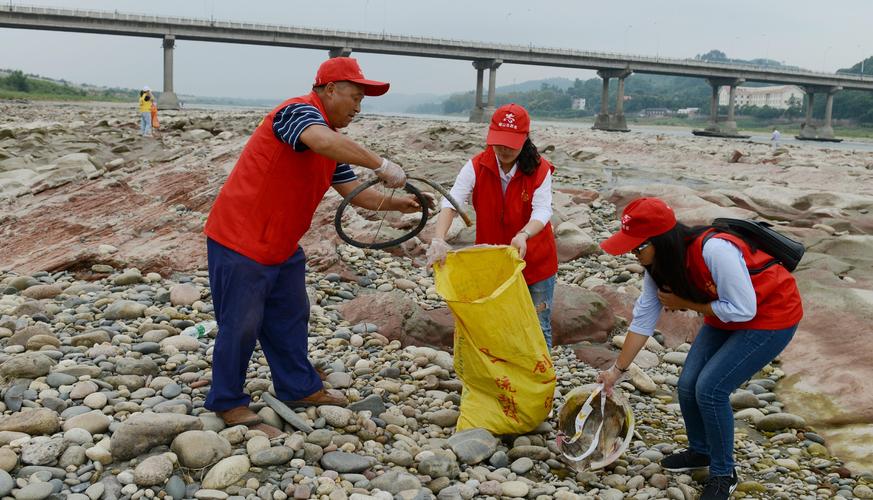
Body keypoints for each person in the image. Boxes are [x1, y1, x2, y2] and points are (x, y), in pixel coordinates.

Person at [203, 57, 424, 428]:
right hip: (240, 239)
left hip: (282, 244)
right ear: (330, 89)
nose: (357, 107)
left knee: (291, 315)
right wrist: (380, 164)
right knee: (240, 323)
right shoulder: (297, 113)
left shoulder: (330, 147)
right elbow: (319, 138)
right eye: (354, 97)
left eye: (361, 101)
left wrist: (400, 204)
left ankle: (296, 386)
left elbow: (356, 193)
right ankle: (227, 401)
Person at [595, 197, 803, 500]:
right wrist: (616, 372)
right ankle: (700, 451)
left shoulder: (714, 250)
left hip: (771, 316)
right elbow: (642, 321)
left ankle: (723, 473)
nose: (633, 254)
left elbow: (744, 309)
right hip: (723, 314)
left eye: (638, 247)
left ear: (661, 240)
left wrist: (687, 304)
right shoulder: (657, 266)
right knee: (688, 384)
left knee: (711, 388)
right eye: (630, 247)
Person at [426, 103, 558, 348]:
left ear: (525, 138)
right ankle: (501, 380)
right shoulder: (477, 165)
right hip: (493, 261)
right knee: (495, 324)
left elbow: (543, 210)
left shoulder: (540, 169)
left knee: (538, 326)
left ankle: (539, 384)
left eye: (511, 143)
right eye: (499, 141)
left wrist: (524, 234)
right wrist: (439, 239)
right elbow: (453, 201)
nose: (504, 149)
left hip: (536, 260)